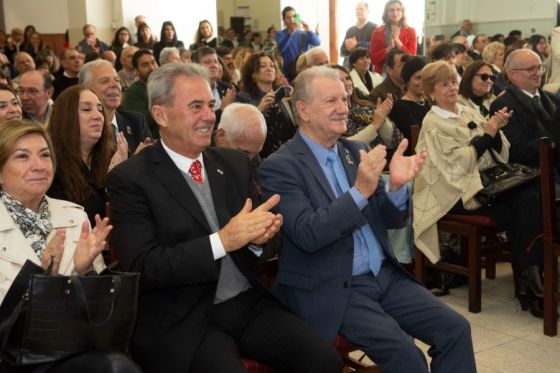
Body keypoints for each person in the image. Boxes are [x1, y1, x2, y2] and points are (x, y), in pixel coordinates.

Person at [106, 62, 342, 373]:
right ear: (161, 115)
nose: (208, 116)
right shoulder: (131, 178)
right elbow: (145, 267)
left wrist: (260, 240)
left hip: (247, 302)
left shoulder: (233, 164)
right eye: (195, 107)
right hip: (184, 316)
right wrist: (223, 241)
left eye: (210, 105)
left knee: (324, 360)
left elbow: (269, 242)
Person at [259, 66, 475, 372]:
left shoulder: (356, 149)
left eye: (344, 99)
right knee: (407, 357)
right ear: (303, 110)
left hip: (384, 275)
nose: (344, 108)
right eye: (331, 101)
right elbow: (308, 233)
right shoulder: (280, 166)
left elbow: (391, 219)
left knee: (456, 329)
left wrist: (397, 188)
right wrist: (360, 191)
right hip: (333, 283)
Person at [0, 120, 143, 373]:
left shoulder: (74, 215)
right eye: (22, 157)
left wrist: (84, 271)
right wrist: (42, 278)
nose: (38, 165)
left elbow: (96, 313)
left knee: (118, 366)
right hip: (10, 354)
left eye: (45, 155)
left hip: (69, 345)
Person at [414, 60, 545, 318]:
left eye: (453, 81)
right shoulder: (433, 123)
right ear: (431, 92)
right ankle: (532, 285)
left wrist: (496, 130)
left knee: (532, 197)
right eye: (444, 84)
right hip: (455, 193)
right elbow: (452, 165)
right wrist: (486, 135)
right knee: (525, 205)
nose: (452, 88)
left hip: (484, 183)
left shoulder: (466, 110)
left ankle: (532, 282)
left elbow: (499, 148)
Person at [47, 86, 127, 225]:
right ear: (66, 116)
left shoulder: (115, 155)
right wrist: (112, 182)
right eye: (86, 109)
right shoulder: (49, 163)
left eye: (100, 109)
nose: (98, 116)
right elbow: (84, 217)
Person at [490, 49, 560, 171]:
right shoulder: (503, 105)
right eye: (531, 69)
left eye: (539, 67)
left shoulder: (552, 98)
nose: (538, 73)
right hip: (536, 173)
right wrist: (554, 143)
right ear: (512, 74)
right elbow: (516, 149)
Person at [79, 60, 152, 155]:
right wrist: (132, 164)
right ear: (86, 88)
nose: (115, 85)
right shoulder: (80, 126)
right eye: (105, 81)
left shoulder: (136, 121)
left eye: (117, 80)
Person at [329, 64, 401, 154]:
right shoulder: (334, 115)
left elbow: (393, 143)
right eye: (340, 80)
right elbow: (345, 146)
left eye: (348, 78)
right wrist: (375, 125)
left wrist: (382, 118)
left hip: (383, 160)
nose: (347, 83)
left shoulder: (367, 107)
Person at [235, 51, 294, 158]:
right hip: (260, 157)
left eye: (272, 65)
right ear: (253, 74)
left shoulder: (283, 95)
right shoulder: (243, 97)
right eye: (263, 66)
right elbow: (239, 130)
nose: (269, 68)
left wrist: (296, 101)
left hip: (288, 155)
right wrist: (259, 109)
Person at [388, 56, 430, 155]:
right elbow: (414, 141)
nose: (423, 82)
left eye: (426, 78)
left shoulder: (430, 103)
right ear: (407, 80)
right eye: (418, 78)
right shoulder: (400, 108)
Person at [369, 0, 416, 74]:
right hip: (382, 73)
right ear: (386, 13)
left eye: (398, 10)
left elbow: (412, 57)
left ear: (402, 12)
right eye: (391, 10)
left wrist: (398, 41)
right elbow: (373, 59)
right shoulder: (377, 32)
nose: (395, 13)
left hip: (406, 72)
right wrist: (389, 48)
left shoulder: (410, 31)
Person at [276, 6, 320, 82]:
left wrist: (308, 30)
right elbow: (281, 48)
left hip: (304, 69)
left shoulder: (303, 33)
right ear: (284, 20)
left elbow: (317, 42)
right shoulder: (280, 34)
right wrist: (290, 34)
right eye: (288, 18)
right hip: (289, 71)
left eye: (294, 17)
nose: (291, 20)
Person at [122, 49, 159, 138]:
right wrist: (161, 103)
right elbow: (137, 124)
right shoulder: (133, 92)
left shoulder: (167, 85)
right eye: (145, 65)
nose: (152, 68)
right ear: (136, 71)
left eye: (153, 62)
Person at [340, 2, 377, 69]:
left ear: (368, 11)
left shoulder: (374, 28)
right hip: (351, 67)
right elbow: (342, 51)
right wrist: (349, 49)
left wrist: (357, 45)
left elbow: (375, 48)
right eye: (357, 9)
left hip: (367, 67)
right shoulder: (350, 30)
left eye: (361, 9)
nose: (359, 11)